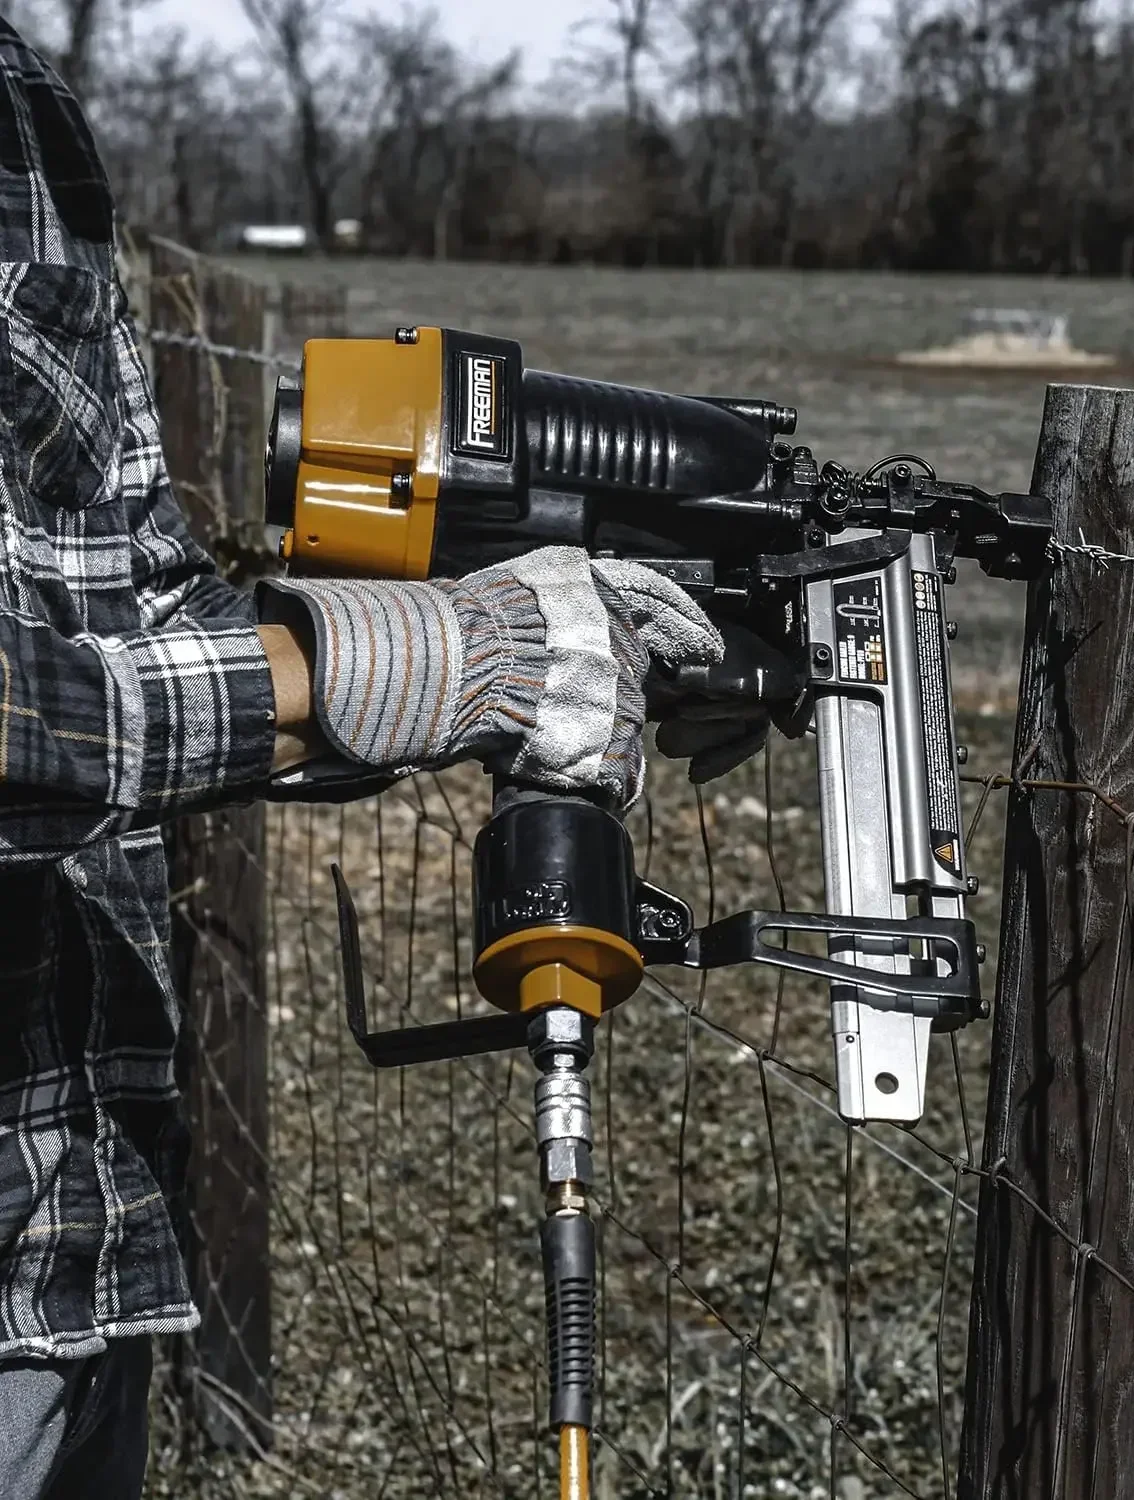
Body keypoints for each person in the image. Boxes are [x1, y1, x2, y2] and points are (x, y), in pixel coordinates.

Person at [0, 20, 730, 1497]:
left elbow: (130, 604)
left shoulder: (19, 104)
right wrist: (426, 661)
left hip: (77, 1243)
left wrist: (470, 637)